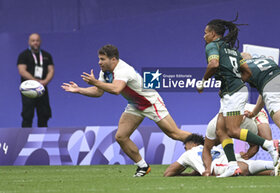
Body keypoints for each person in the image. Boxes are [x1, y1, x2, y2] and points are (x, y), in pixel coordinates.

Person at [61, 44, 191, 177]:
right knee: (121, 136)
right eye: (99, 59)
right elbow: (98, 92)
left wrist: (96, 82)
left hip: (150, 103)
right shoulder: (104, 72)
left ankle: (206, 146)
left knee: (174, 134)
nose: (99, 62)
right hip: (134, 105)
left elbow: (116, 89)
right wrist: (79, 90)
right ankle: (143, 166)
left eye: (102, 59)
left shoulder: (123, 70)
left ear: (113, 59)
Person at [197, 18, 279, 177]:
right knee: (221, 131)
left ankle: (269, 145)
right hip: (233, 91)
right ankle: (232, 166)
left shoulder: (212, 46)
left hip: (234, 93)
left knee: (232, 130)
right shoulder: (233, 50)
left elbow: (213, 64)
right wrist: (235, 82)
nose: (204, 36)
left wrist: (203, 81)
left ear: (213, 34)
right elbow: (247, 72)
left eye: (205, 33)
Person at [163, 134, 280, 177]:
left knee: (268, 170)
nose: (184, 148)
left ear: (191, 144)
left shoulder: (189, 153)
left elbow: (168, 173)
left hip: (229, 167)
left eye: (184, 145)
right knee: (273, 170)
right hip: (237, 161)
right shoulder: (210, 149)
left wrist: (189, 174)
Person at [17, 33, 54, 127]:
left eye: (37, 40)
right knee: (27, 114)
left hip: (42, 88)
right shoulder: (23, 55)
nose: (35, 43)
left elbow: (51, 70)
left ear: (40, 42)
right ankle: (25, 137)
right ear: (29, 42)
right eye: (33, 41)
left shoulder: (46, 55)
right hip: (28, 90)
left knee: (44, 114)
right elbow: (22, 71)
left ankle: (43, 137)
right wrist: (35, 81)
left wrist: (45, 81)